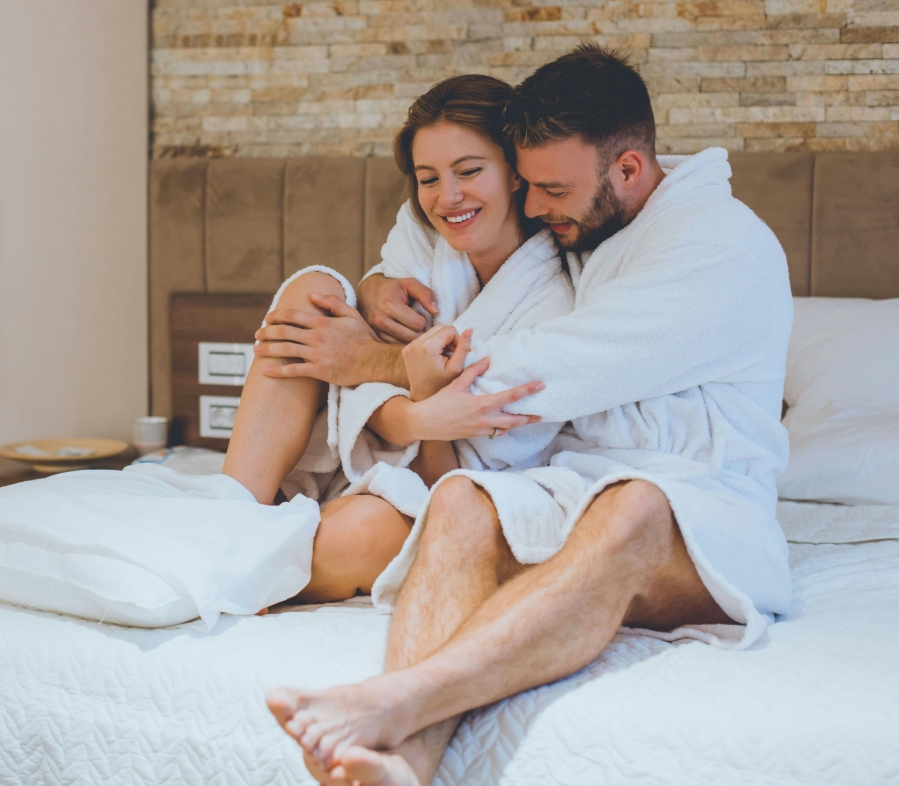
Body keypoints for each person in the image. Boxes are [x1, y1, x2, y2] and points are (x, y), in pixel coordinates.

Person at [262, 44, 794, 786]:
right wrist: (375, 282)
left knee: (635, 506)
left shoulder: (719, 248)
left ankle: (397, 700)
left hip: (703, 504)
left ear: (629, 171)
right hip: (573, 485)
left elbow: (550, 365)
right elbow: (433, 220)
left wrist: (368, 364)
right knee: (458, 499)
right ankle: (404, 762)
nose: (535, 208)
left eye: (549, 189)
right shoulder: (600, 223)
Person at [221, 74, 571, 604]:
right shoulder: (423, 233)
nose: (447, 197)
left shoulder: (553, 299)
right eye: (428, 178)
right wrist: (411, 406)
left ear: (516, 172)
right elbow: (357, 362)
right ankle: (232, 515)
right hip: (362, 448)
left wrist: (418, 407)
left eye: (470, 171)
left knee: (359, 532)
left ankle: (247, 565)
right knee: (312, 290)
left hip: (433, 488)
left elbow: (455, 483)